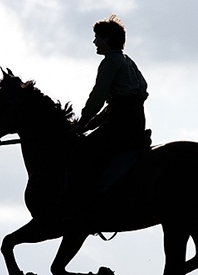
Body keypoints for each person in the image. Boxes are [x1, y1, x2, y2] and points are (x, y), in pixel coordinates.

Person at [64, 14, 151, 215]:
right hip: (135, 122)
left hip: (120, 123)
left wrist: (84, 120)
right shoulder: (128, 61)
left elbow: (98, 97)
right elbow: (115, 104)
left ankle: (87, 203)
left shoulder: (110, 63)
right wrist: (90, 124)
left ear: (106, 39)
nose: (94, 41)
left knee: (80, 153)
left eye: (97, 37)